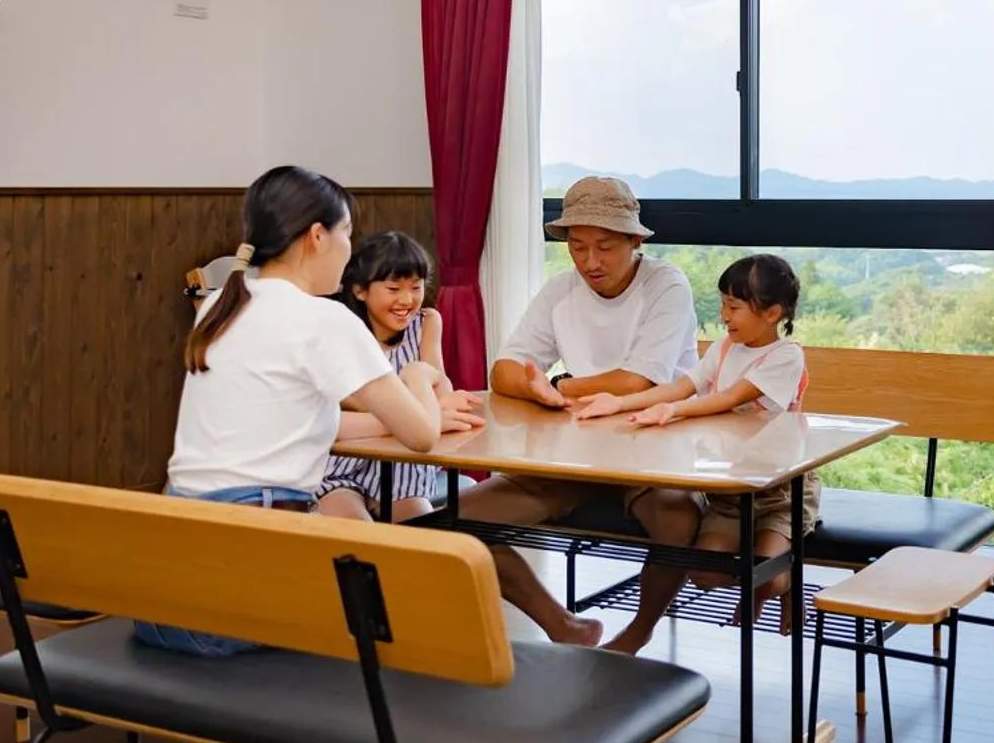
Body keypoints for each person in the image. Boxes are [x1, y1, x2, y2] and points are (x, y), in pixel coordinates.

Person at [145, 166, 475, 656]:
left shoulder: (217, 304)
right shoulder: (324, 319)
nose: (349, 247)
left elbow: (295, 420)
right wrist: (417, 380)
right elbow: (423, 436)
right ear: (318, 237)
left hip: (166, 586)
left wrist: (392, 414)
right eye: (347, 232)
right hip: (238, 596)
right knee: (408, 603)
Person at [456, 176, 703, 654]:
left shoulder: (666, 284)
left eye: (605, 247)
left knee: (677, 519)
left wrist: (553, 387)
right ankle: (562, 624)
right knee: (461, 521)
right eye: (577, 246)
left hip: (654, 450)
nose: (590, 261)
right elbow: (503, 370)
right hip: (575, 454)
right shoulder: (560, 290)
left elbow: (638, 382)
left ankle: (638, 632)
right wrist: (535, 386)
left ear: (636, 240)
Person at [575, 254, 811, 627]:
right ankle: (759, 586)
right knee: (703, 573)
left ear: (772, 313)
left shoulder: (786, 357)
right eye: (723, 305)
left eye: (734, 307)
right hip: (729, 492)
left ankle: (781, 584)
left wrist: (676, 410)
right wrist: (619, 401)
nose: (724, 315)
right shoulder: (724, 348)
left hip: (777, 491)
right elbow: (680, 386)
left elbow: (731, 398)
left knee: (768, 570)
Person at [321, 230, 484, 521]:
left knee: (422, 535)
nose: (407, 300)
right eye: (394, 289)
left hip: (405, 465)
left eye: (416, 287)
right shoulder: (341, 329)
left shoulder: (427, 322)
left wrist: (436, 396)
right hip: (341, 465)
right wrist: (420, 407)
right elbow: (351, 400)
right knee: (355, 536)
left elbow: (439, 383)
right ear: (360, 290)